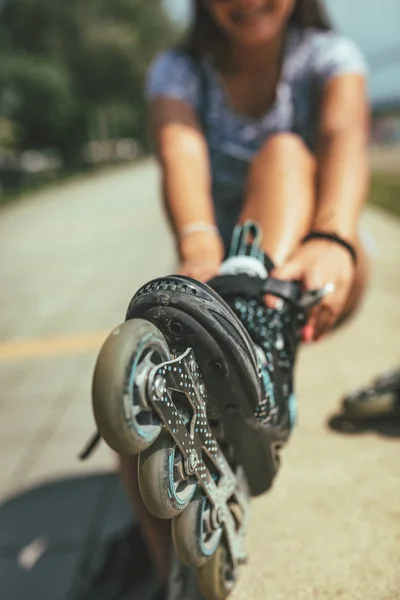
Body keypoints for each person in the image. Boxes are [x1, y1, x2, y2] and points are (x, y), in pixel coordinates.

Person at [112, 0, 370, 597]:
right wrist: (199, 248)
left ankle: (257, 344)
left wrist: (334, 238)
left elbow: (345, 138)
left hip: (316, 258)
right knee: (141, 398)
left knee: (282, 151)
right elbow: (181, 153)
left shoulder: (326, 58)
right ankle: (174, 579)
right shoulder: (181, 70)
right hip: (218, 271)